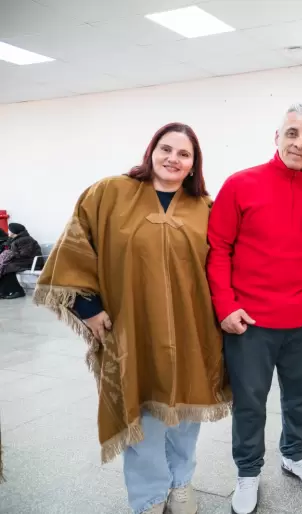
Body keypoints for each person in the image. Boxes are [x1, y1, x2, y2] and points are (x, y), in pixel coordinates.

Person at [34, 122, 230, 514]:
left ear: (194, 165)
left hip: (194, 330)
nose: (173, 159)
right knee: (143, 413)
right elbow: (75, 247)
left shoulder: (206, 208)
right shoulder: (109, 193)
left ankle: (181, 483)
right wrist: (87, 309)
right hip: (132, 326)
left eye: (184, 154)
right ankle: (150, 497)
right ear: (151, 151)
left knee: (187, 412)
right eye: (166, 149)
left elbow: (227, 262)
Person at [207, 104, 302, 514]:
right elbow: (218, 250)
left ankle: (295, 455)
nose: (299, 143)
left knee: (300, 396)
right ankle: (247, 473)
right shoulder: (241, 184)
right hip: (250, 322)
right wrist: (225, 306)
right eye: (292, 133)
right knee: (251, 401)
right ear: (276, 136)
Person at [0, 223, 42, 299]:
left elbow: (25, 254)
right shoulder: (15, 239)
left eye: (9, 230)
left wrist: (10, 254)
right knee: (4, 266)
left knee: (7, 267)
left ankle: (18, 291)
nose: (8, 232)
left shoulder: (25, 239)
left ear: (14, 231)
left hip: (32, 262)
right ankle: (3, 291)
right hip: (23, 261)